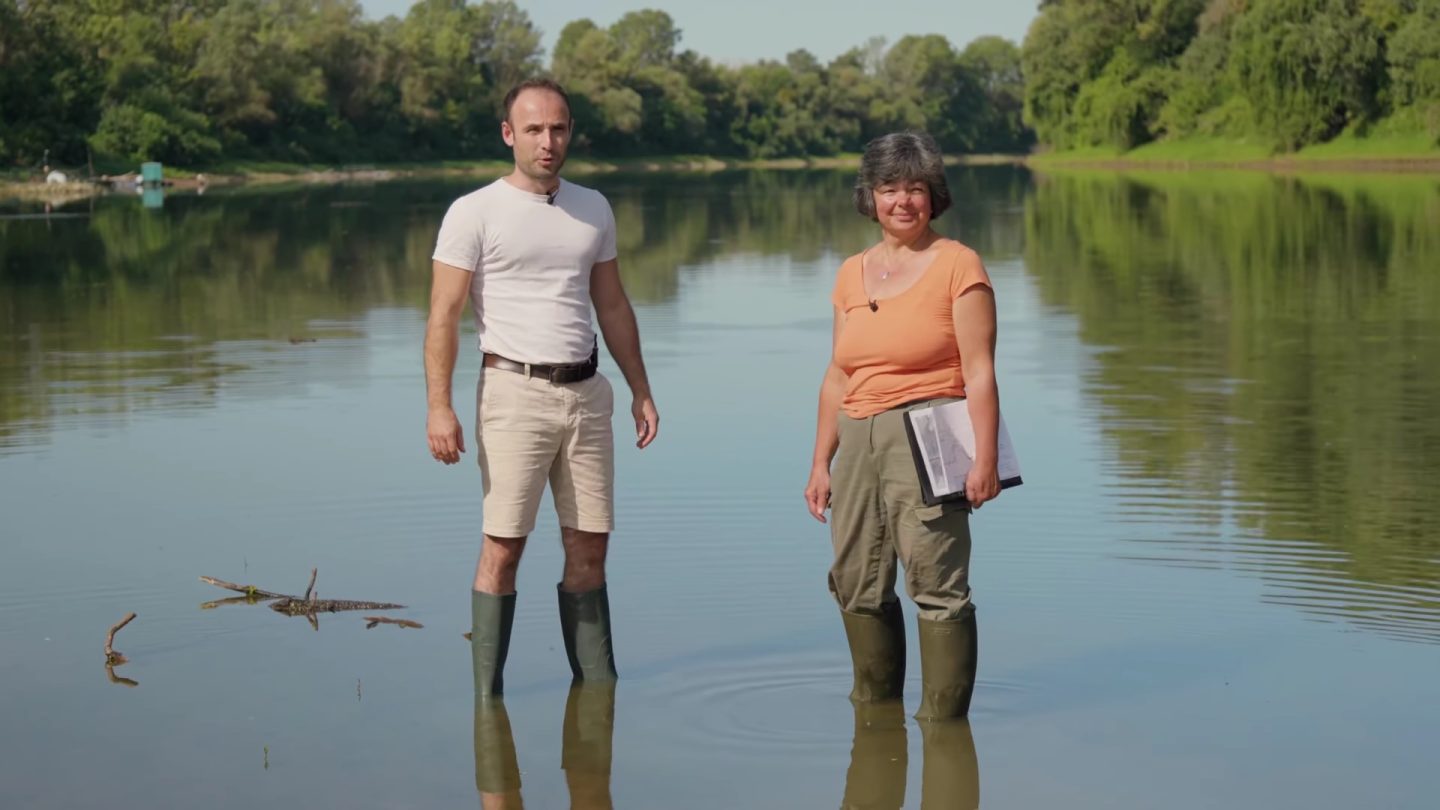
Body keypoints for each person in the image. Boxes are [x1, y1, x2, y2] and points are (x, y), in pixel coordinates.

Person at [424, 77, 659, 698]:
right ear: (509, 135)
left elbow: (612, 305)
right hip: (513, 394)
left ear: (570, 132)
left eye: (557, 128)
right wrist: (439, 407)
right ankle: (487, 701)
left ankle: (597, 694)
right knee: (503, 546)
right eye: (533, 129)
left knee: (590, 547)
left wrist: (640, 388)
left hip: (588, 394)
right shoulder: (473, 212)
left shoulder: (593, 207)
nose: (547, 141)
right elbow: (443, 315)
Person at [804, 131, 1000, 720]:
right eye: (889, 188)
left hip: (928, 433)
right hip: (857, 435)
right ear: (870, 196)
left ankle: (943, 729)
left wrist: (985, 459)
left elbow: (980, 372)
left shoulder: (959, 265)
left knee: (937, 583)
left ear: (933, 195)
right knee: (855, 579)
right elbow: (837, 375)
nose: (903, 201)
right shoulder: (851, 272)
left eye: (916, 188)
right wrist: (820, 462)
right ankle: (875, 712)